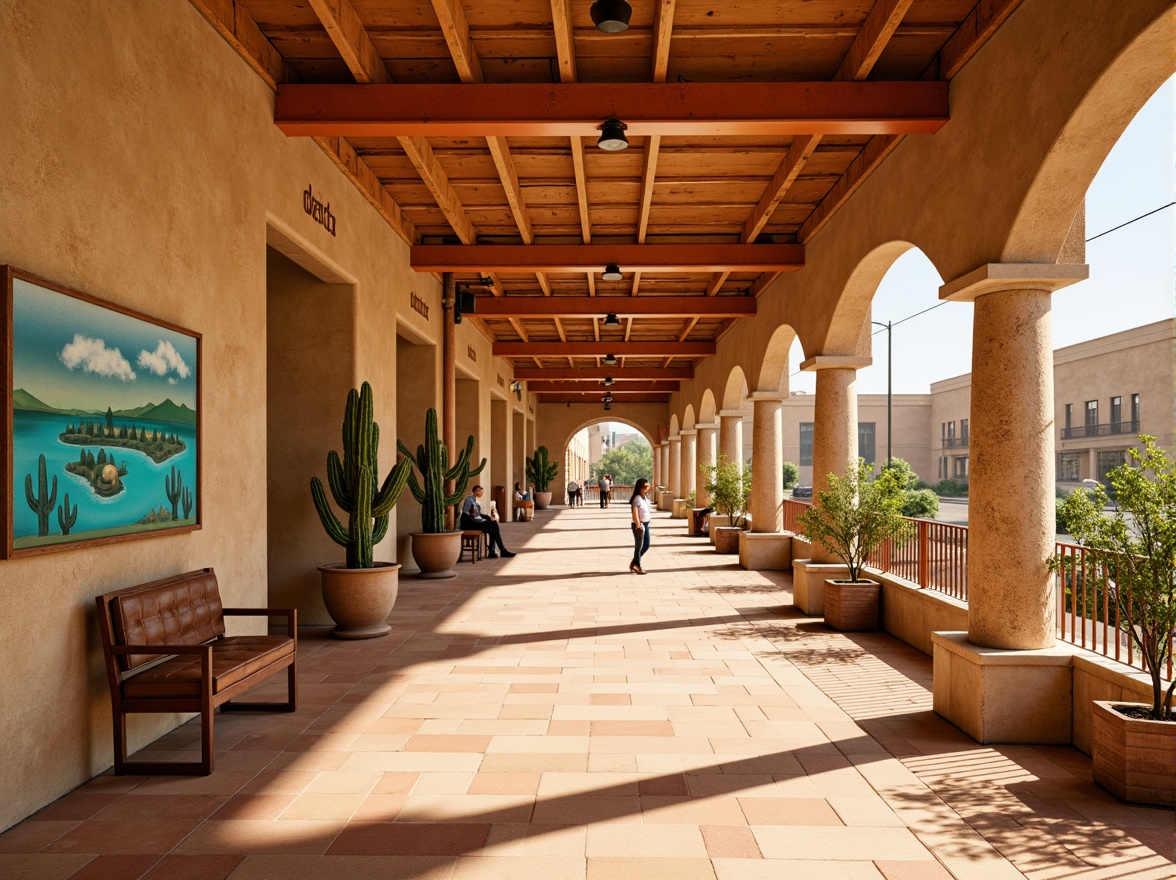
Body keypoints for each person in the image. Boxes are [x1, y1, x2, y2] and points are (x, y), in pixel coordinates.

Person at [461, 485, 515, 558]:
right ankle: (500, 550)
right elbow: (466, 515)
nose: (482, 494)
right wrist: (480, 522)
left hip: (476, 522)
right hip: (470, 524)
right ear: (477, 491)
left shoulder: (474, 500)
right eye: (481, 492)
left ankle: (493, 551)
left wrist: (488, 517)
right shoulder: (469, 500)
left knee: (493, 524)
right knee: (493, 527)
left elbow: (476, 514)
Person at [629, 478, 652, 574]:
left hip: (646, 524)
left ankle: (634, 562)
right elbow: (635, 513)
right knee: (638, 547)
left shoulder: (644, 498)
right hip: (640, 525)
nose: (646, 489)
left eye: (647, 487)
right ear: (639, 488)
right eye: (644, 487)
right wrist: (638, 526)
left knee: (646, 545)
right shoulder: (637, 498)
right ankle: (638, 566)